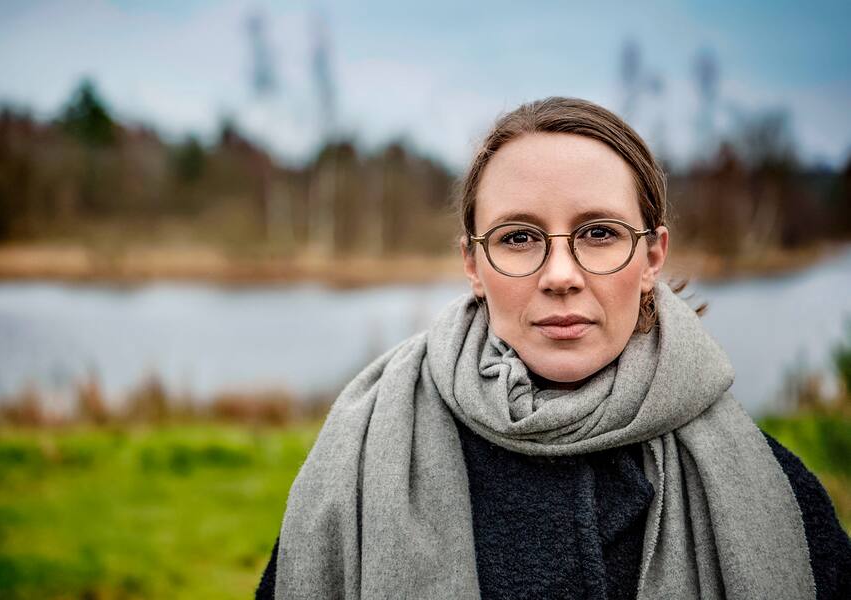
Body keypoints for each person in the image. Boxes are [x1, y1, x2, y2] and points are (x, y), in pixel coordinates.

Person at [257, 97, 851, 599]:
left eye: (599, 234)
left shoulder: (774, 492)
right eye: (518, 238)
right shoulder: (362, 459)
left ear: (652, 256)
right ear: (472, 263)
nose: (560, 274)